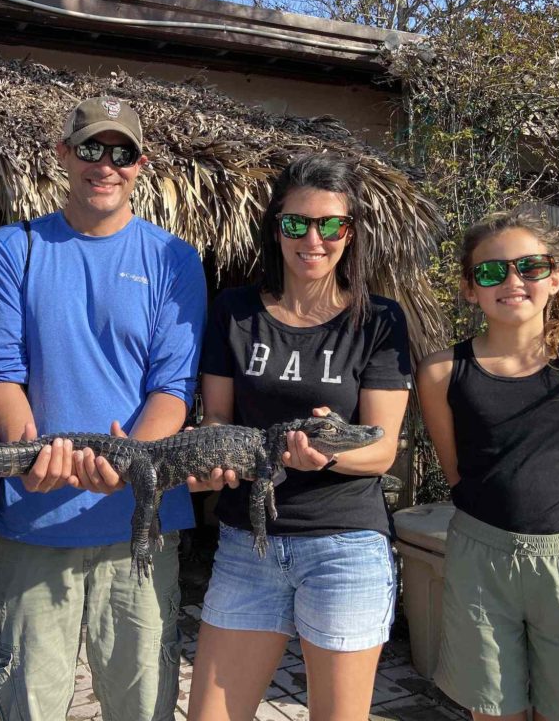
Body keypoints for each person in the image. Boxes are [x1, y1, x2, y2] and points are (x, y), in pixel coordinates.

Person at [0, 96, 208, 721]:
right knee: (30, 700)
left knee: (143, 701)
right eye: (91, 149)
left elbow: (173, 388)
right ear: (63, 155)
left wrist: (130, 464)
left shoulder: (174, 259)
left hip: (140, 523)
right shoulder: (12, 248)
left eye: (122, 153)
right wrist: (30, 455)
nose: (106, 165)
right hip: (35, 518)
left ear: (140, 165)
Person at [187, 153, 412, 721]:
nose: (313, 239)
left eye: (330, 224)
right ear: (276, 229)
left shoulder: (379, 321)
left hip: (345, 547)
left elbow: (382, 449)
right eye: (296, 223)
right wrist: (212, 455)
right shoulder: (235, 312)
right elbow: (218, 418)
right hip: (248, 542)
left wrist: (325, 458)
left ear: (350, 233)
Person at [416, 210, 559, 721]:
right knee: (493, 709)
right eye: (492, 272)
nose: (512, 281)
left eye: (530, 267)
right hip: (480, 561)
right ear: (470, 289)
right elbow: (457, 472)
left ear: (556, 278)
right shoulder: (441, 372)